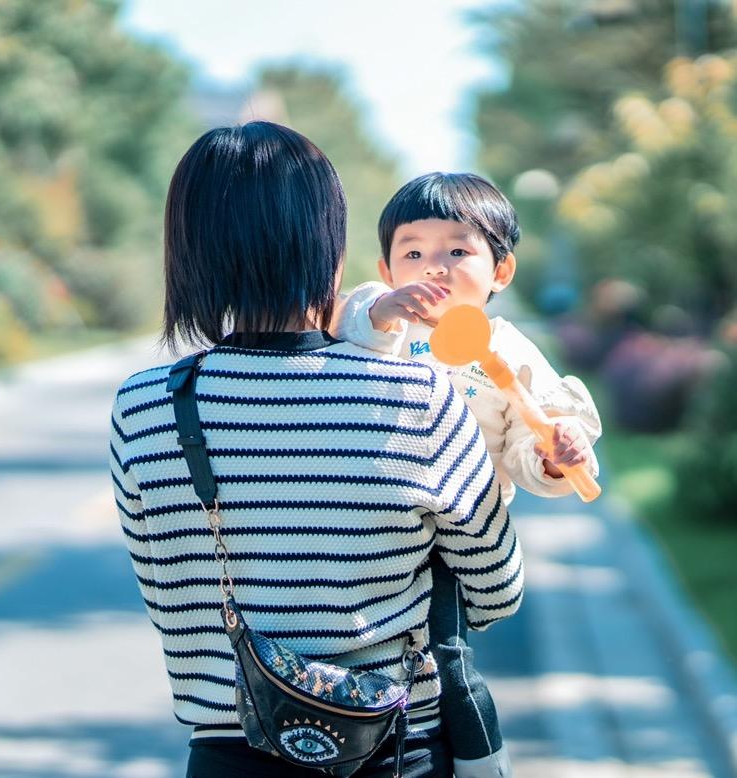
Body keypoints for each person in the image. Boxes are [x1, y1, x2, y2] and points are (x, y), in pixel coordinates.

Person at [109, 123, 525, 778]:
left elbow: (168, 593)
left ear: (186, 253)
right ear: (326, 246)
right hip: (391, 751)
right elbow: (497, 592)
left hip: (226, 755)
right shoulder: (416, 397)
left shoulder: (143, 407)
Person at [332, 172, 602, 778]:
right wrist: (379, 311)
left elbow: (528, 445)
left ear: (500, 272)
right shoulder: (384, 321)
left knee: (444, 659)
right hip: (367, 523)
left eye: (458, 250)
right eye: (414, 252)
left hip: (456, 536)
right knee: (355, 643)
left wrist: (558, 456)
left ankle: (484, 764)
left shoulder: (508, 352)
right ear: (387, 264)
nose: (434, 266)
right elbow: (340, 325)